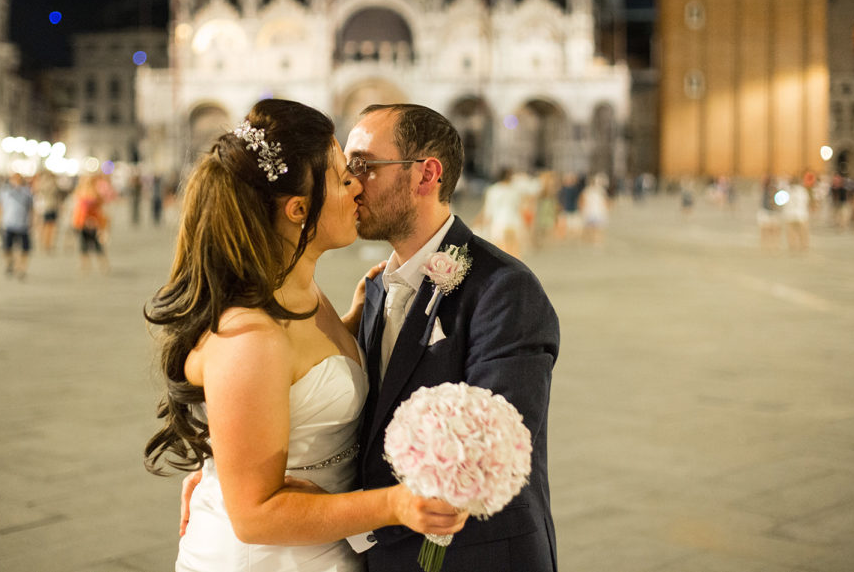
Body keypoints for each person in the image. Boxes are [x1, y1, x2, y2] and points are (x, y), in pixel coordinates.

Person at [146, 99, 467, 572]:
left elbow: (301, 379)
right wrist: (395, 505)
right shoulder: (249, 336)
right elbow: (255, 517)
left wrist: (358, 319)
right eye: (343, 178)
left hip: (323, 542)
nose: (358, 185)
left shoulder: (302, 291)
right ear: (299, 210)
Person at [342, 104, 559, 571]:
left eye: (363, 166)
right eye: (346, 169)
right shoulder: (377, 288)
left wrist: (346, 517)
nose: (350, 183)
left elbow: (487, 454)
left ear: (426, 175)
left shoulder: (504, 290)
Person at [0, 173, 34, 279]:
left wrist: (32, 222)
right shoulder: (4, 191)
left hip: (23, 224)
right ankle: (10, 263)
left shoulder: (27, 192)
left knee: (24, 249)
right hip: (8, 224)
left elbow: (31, 208)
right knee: (7, 248)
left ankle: (21, 268)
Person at [70, 174, 110, 273]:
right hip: (83, 222)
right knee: (84, 245)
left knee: (96, 246)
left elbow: (99, 210)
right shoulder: (81, 192)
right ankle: (86, 266)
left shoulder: (93, 194)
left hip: (92, 223)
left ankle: (101, 266)